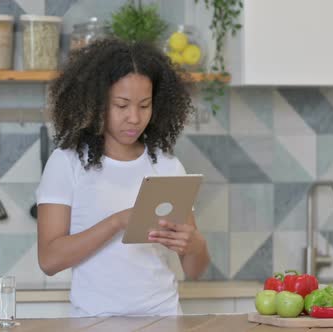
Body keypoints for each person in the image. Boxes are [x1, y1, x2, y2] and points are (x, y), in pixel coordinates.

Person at [35, 39, 210, 317]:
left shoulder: (167, 166)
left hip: (163, 320)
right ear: (97, 103)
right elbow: (49, 259)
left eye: (144, 105)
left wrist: (195, 245)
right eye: (121, 105)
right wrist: (117, 222)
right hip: (94, 323)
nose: (134, 118)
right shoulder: (67, 163)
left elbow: (194, 269)